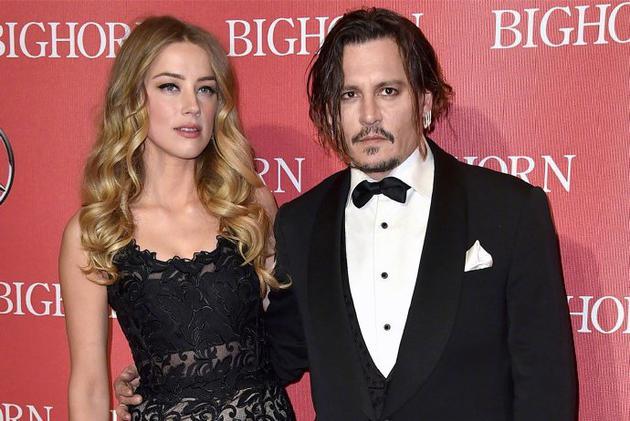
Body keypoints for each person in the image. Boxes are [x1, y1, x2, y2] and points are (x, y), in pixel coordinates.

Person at [116, 7, 578, 421]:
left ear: (424, 101)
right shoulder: (300, 222)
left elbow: (546, 387)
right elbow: (274, 354)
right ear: (330, 112)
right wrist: (169, 366)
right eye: (349, 95)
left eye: (388, 91)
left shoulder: (510, 210)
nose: (368, 115)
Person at [59, 16, 296, 421]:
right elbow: (89, 386)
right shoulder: (96, 231)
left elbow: (286, 335)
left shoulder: (250, 206)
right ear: (133, 98)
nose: (192, 106)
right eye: (170, 86)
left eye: (205, 89)